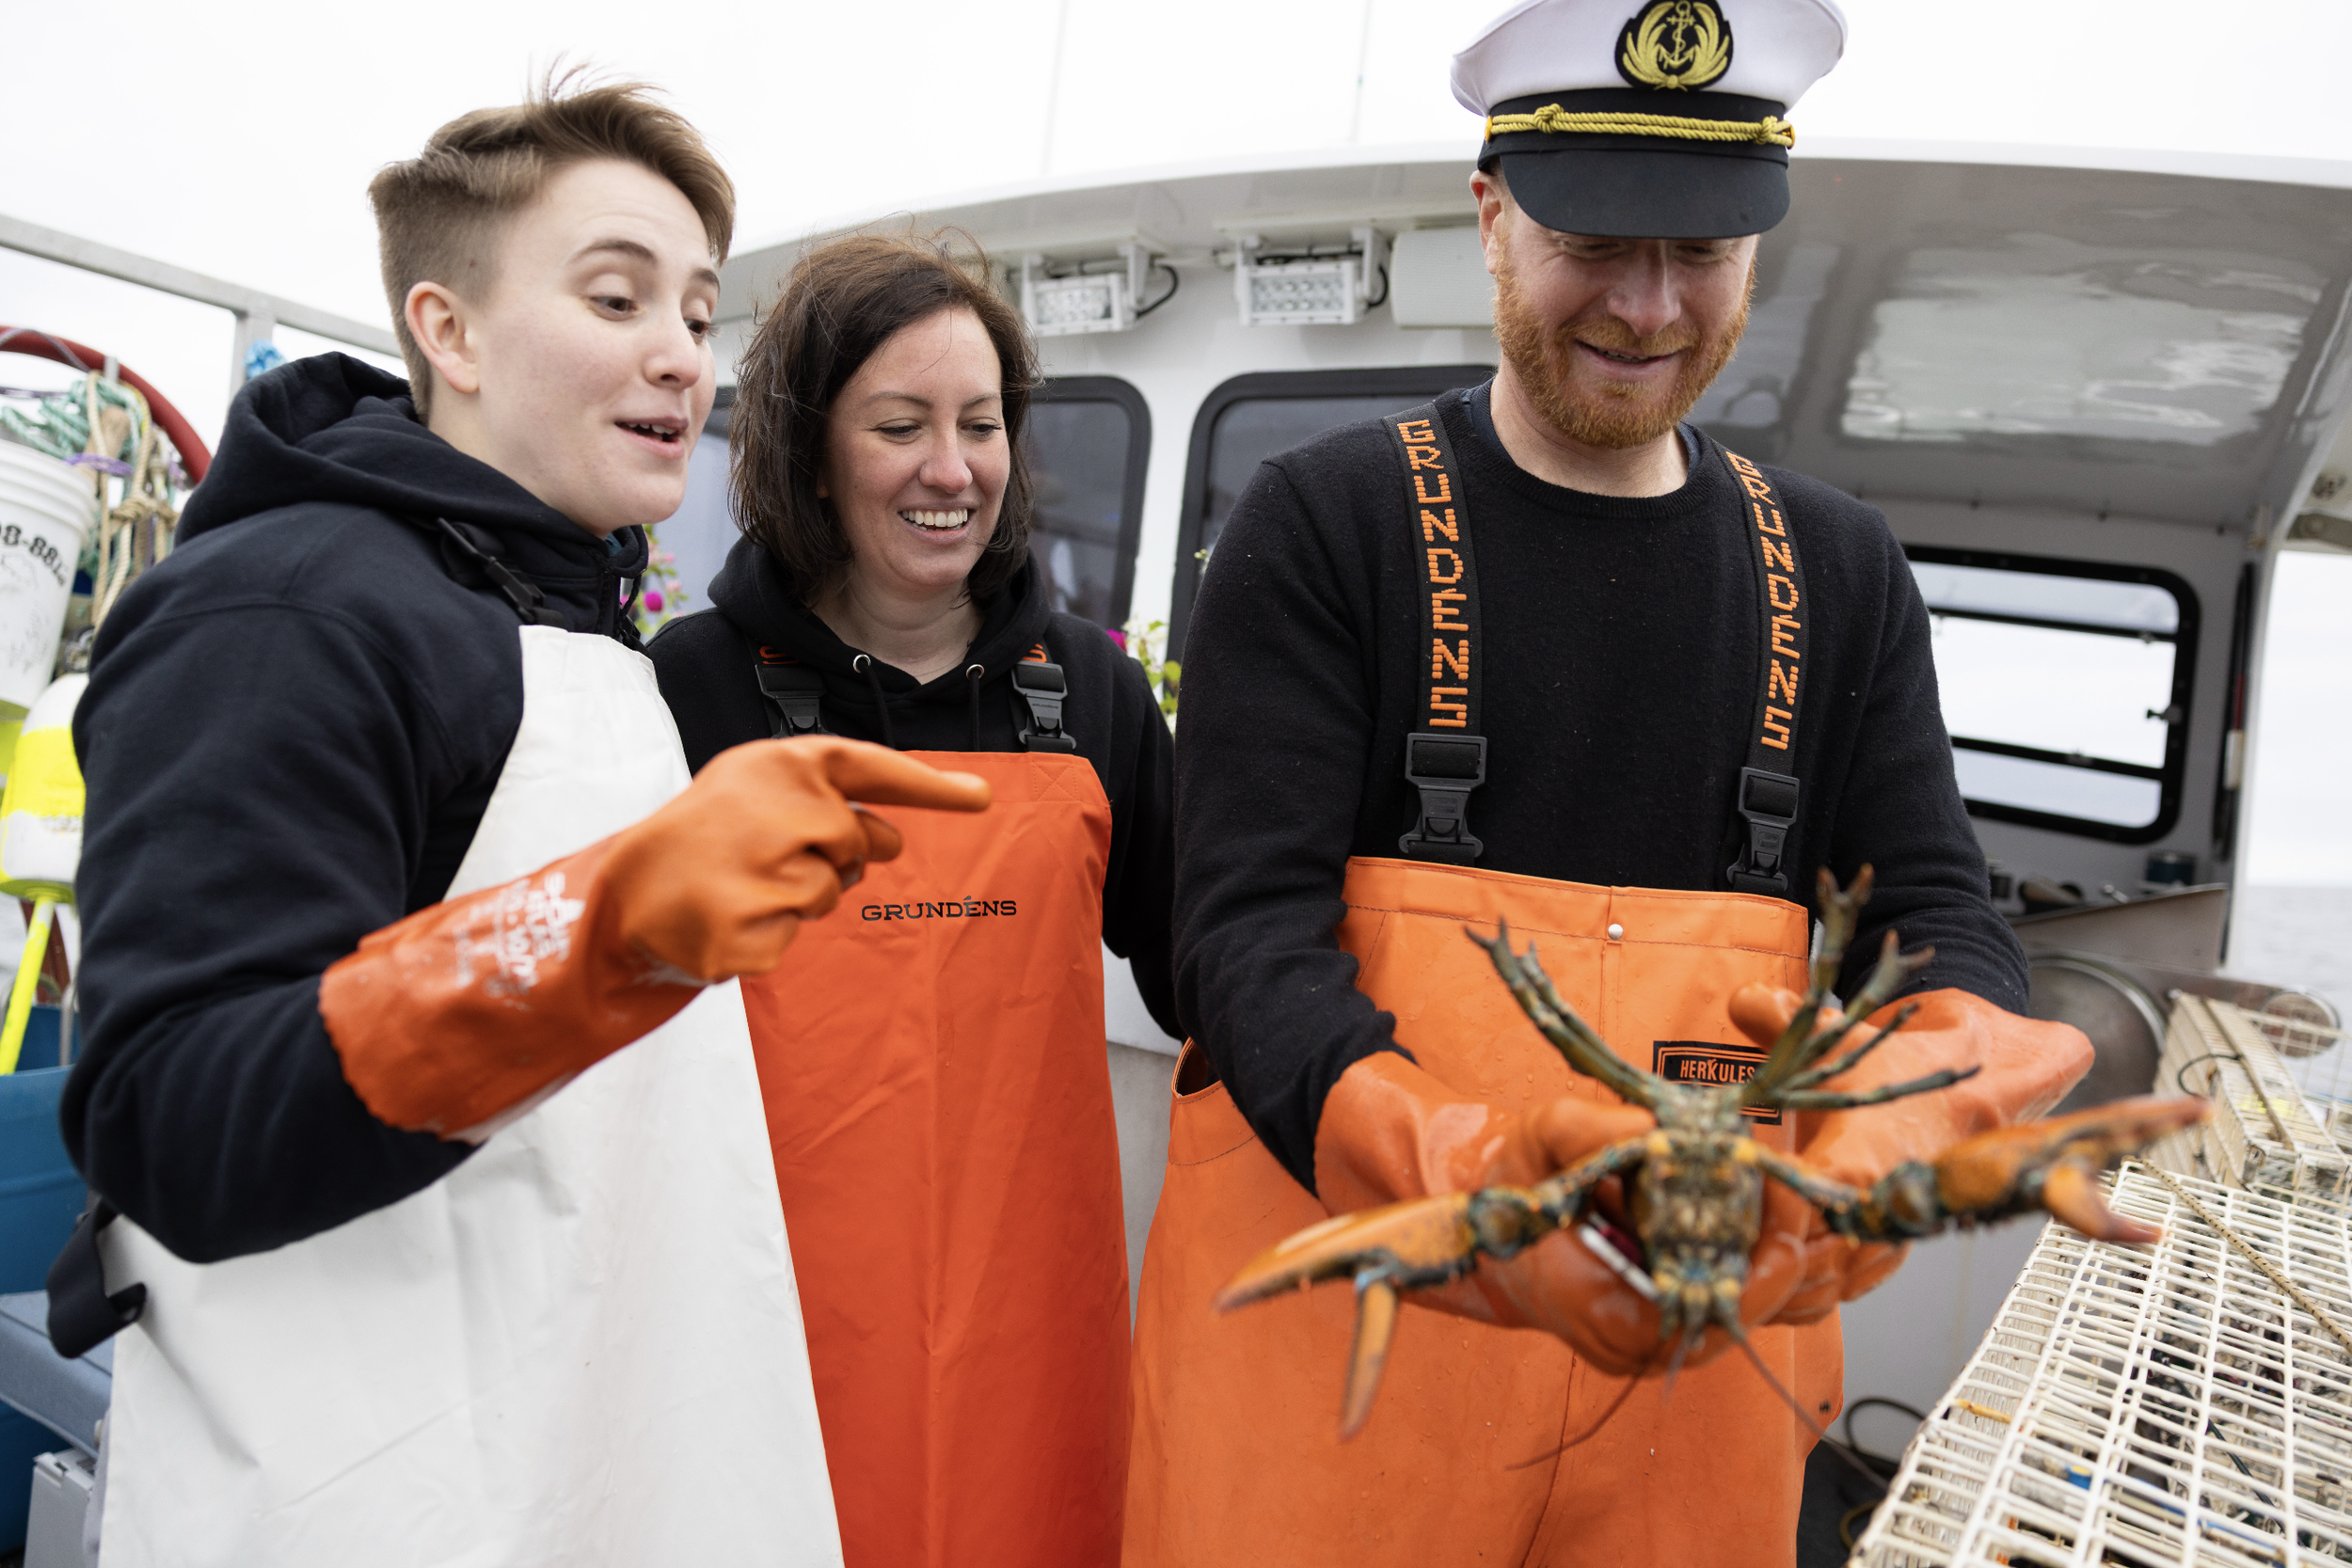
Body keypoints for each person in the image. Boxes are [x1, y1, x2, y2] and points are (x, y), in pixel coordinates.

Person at [1124, 3, 2096, 1563]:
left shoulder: (1838, 572)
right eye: (1597, 238)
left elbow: (1939, 911)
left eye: (1704, 248)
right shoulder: (1327, 526)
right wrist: (1462, 1181)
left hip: (1702, 1395)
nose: (1650, 307)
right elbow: (1237, 943)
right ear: (1493, 213)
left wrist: (1926, 1091)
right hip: (1349, 1364)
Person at [53, 81, 990, 1565]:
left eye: (695, 311)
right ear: (450, 329)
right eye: (616, 295)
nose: (680, 353)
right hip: (372, 1507)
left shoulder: (563, 610)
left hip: (607, 1454)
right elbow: (168, 1111)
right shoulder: (286, 606)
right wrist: (600, 932)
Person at [648, 230, 1179, 1567]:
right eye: (901, 425)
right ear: (810, 452)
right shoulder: (691, 688)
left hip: (1033, 1349)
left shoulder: (1095, 696)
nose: (954, 471)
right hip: (762, 1332)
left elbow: (1204, 970)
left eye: (981, 424)